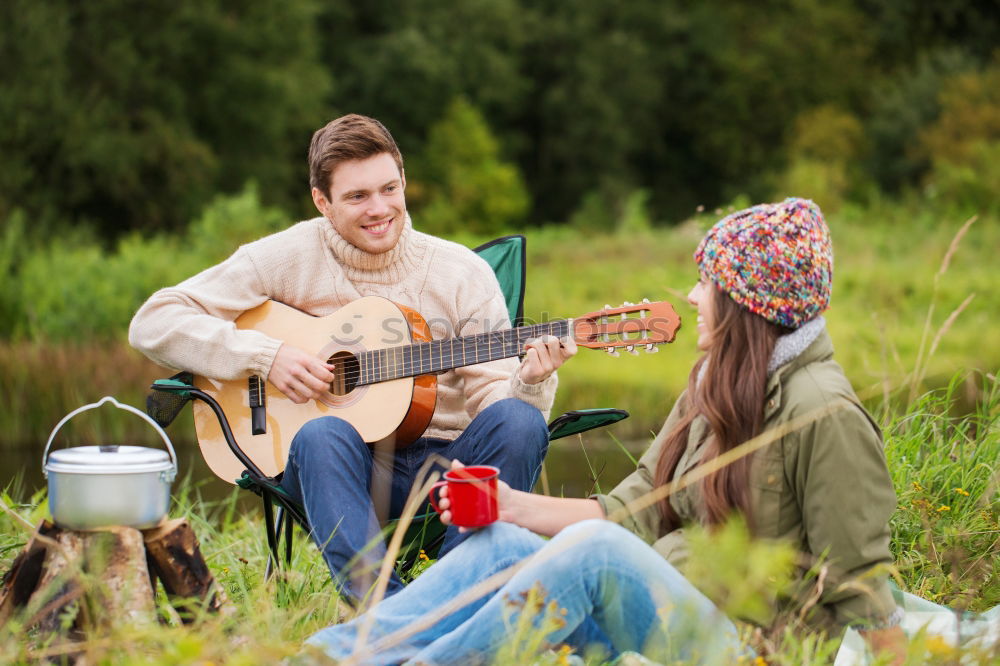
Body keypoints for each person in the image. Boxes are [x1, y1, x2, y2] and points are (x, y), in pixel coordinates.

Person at [304, 198, 908, 665]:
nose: (695, 297)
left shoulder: (825, 413)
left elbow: (864, 585)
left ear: (753, 304)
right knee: (503, 543)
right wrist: (509, 505)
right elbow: (630, 510)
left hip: (750, 646)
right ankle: (332, 653)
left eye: (709, 284)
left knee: (594, 554)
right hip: (666, 612)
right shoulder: (715, 385)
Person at [128, 114, 575, 603]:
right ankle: (385, 615)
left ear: (404, 182)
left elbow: (496, 408)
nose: (379, 209)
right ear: (322, 202)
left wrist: (529, 383)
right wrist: (266, 356)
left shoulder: (461, 273)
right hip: (339, 468)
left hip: (446, 470)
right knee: (321, 432)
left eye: (389, 189)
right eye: (357, 196)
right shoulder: (288, 255)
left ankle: (453, 601)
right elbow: (154, 321)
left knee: (520, 421)